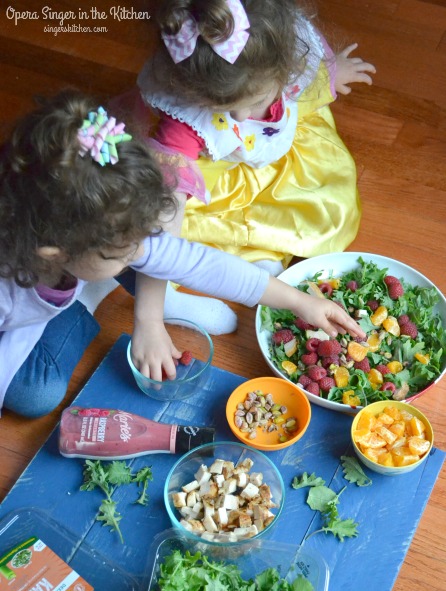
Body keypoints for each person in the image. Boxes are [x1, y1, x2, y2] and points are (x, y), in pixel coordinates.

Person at [0, 89, 364, 419]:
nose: (141, 252)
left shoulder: (89, 230)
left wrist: (299, 302)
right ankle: (88, 296)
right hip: (17, 327)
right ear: (53, 252)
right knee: (36, 395)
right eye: (122, 253)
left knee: (146, 254)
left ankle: (146, 301)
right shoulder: (9, 296)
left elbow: (201, 265)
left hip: (64, 268)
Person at [123, 0, 375, 334]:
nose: (241, 119)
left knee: (329, 203)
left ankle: (258, 257)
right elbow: (162, 228)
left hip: (278, 154)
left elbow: (308, 70)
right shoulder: (183, 120)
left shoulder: (288, 46)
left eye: (254, 102)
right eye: (222, 109)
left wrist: (330, 72)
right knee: (156, 222)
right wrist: (149, 321)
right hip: (213, 175)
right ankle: (247, 263)